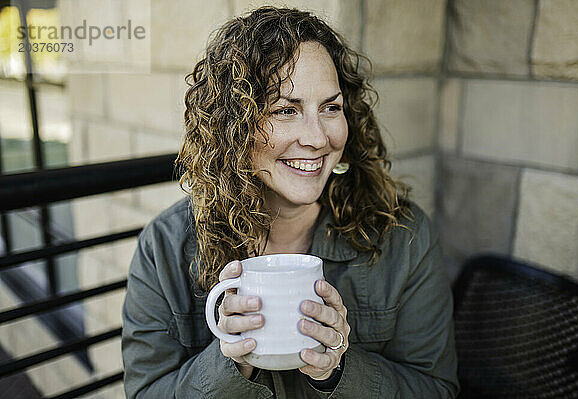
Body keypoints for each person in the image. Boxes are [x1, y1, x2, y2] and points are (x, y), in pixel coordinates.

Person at [122, 6, 458, 398]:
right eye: (286, 110)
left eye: (331, 107)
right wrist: (231, 362)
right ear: (233, 129)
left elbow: (438, 390)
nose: (317, 138)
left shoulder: (402, 235)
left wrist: (340, 372)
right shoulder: (164, 249)